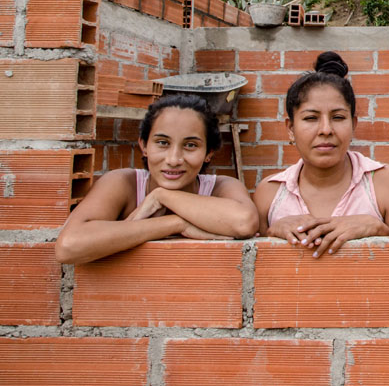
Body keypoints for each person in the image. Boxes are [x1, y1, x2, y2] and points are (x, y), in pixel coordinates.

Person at [55, 94, 258, 264]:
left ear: (209, 153)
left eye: (190, 145)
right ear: (144, 146)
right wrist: (177, 224)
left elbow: (244, 222)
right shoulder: (124, 183)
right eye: (162, 142)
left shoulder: (220, 187)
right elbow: (68, 246)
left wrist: (161, 196)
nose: (174, 159)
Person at [253, 51, 389, 257]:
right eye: (311, 118)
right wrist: (271, 232)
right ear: (290, 128)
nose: (326, 130)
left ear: (353, 125)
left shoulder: (382, 182)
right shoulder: (270, 193)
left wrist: (377, 228)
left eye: (338, 117)